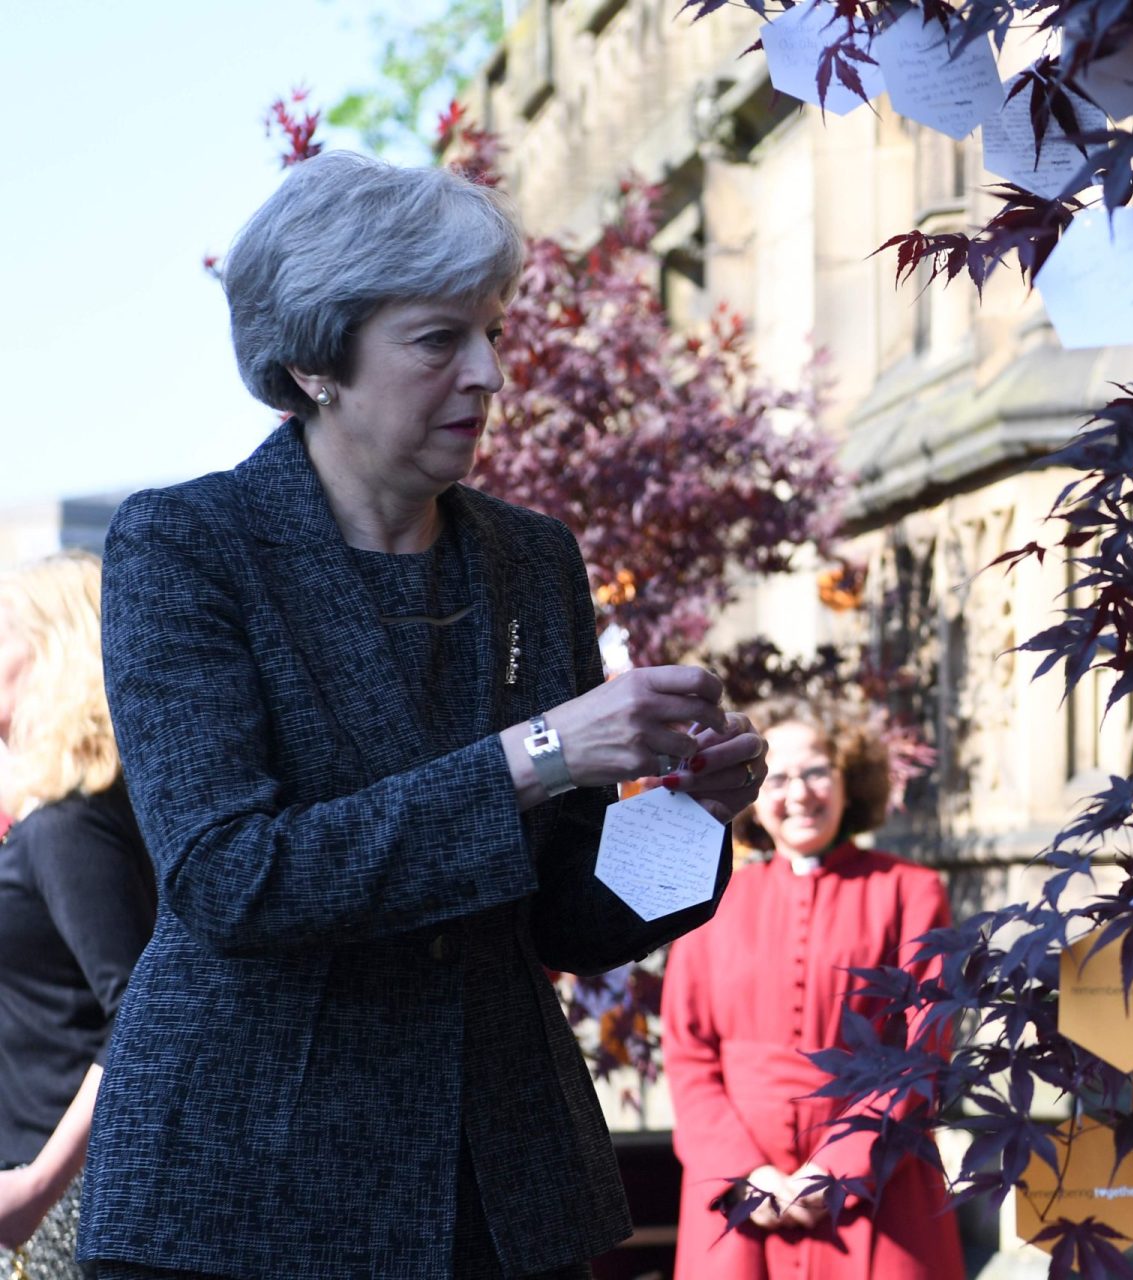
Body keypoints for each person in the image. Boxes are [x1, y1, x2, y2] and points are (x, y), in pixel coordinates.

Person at [76, 150, 768, 1280]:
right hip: (246, 1193)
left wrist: (689, 814)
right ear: (313, 362)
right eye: (440, 338)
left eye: (491, 330)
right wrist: (540, 754)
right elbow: (229, 875)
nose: (491, 371)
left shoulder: (533, 559)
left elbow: (565, 920)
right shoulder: (186, 547)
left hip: (502, 1186)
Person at [661, 699, 964, 1280]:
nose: (798, 793)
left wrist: (842, 1165)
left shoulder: (912, 892)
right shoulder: (708, 903)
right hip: (742, 1200)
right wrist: (741, 1172)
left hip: (877, 1187)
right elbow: (689, 1056)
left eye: (817, 771)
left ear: (850, 781)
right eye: (777, 776)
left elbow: (924, 1050)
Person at [0, 553, 156, 1280]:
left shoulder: (68, 827)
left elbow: (143, 1018)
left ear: (49, 649)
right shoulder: (85, 814)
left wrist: (38, 1186)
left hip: (66, 1200)